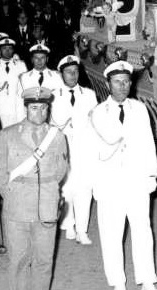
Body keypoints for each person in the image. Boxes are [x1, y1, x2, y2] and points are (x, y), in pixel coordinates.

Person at [89, 61, 157, 290]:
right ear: (108, 84)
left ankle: (147, 278)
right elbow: (98, 148)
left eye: (126, 82)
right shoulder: (98, 112)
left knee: (143, 230)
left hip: (137, 180)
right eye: (117, 82)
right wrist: (95, 185)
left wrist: (151, 176)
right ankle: (118, 282)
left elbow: (149, 144)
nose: (122, 86)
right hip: (110, 182)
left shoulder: (139, 109)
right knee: (111, 233)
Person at [0, 86, 68, 290]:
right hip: (17, 206)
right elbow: (0, 173)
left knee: (44, 260)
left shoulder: (57, 136)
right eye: (34, 108)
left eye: (44, 108)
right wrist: (12, 195)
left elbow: (61, 170)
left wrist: (47, 190)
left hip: (46, 205)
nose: (40, 112)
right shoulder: (8, 135)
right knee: (18, 260)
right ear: (26, 108)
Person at [51, 55, 98, 245]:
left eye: (76, 71)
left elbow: (94, 122)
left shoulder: (89, 94)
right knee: (66, 188)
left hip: (84, 148)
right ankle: (68, 224)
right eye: (68, 72)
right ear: (61, 74)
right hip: (63, 147)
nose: (73, 75)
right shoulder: (53, 95)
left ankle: (82, 229)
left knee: (85, 188)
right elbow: (52, 124)